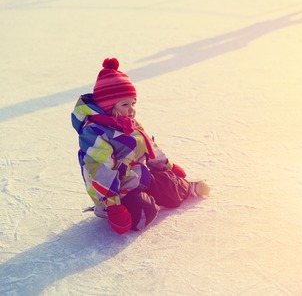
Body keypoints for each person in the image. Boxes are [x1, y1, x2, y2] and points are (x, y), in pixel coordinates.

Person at [72, 57, 210, 234]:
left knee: (168, 186)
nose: (132, 109)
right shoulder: (94, 133)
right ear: (108, 107)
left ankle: (187, 187)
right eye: (125, 104)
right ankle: (122, 208)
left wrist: (168, 166)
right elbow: (100, 171)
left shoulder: (130, 123)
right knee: (143, 214)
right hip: (116, 194)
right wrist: (113, 205)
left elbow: (149, 146)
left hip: (139, 177)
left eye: (133, 103)